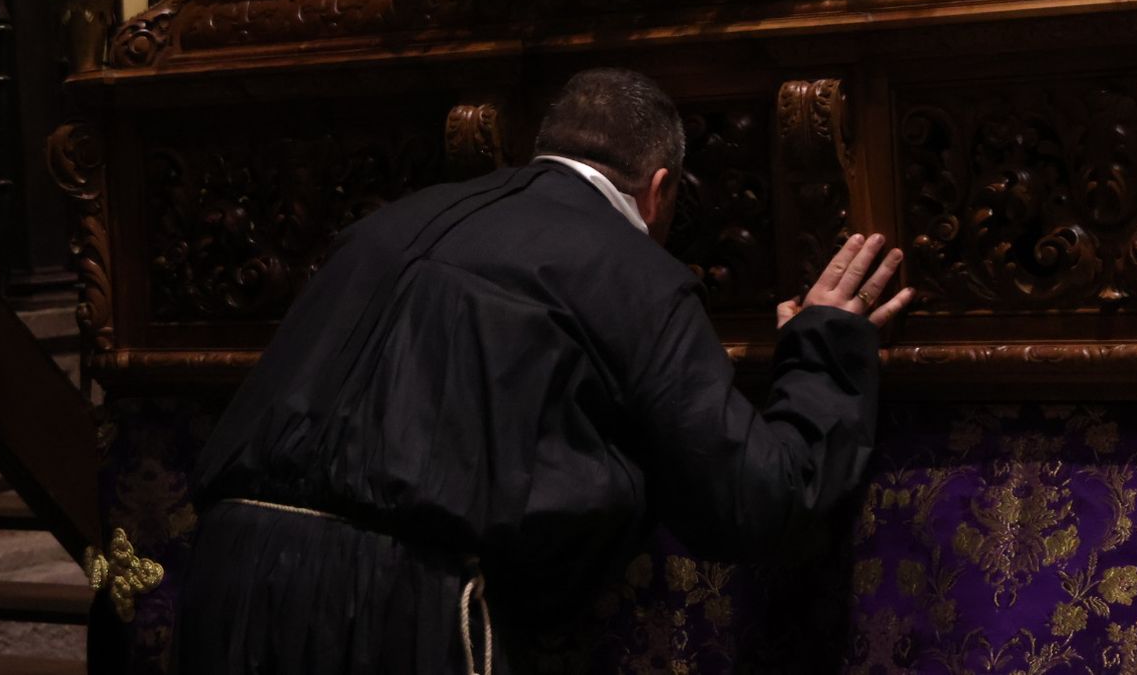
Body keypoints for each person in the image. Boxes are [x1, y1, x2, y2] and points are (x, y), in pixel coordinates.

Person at [176, 68, 912, 674]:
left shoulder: (385, 224)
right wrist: (824, 344)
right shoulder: (629, 268)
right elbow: (759, 502)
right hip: (392, 603)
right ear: (660, 190)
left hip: (224, 575)